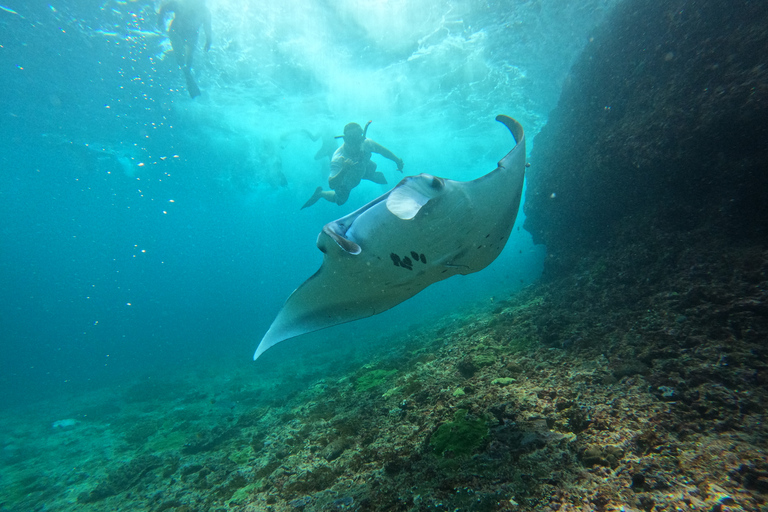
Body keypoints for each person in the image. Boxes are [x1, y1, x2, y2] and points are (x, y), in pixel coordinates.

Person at [302, 122, 404, 209]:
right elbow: (332, 184)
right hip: (347, 178)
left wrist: (397, 160)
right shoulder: (339, 158)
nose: (356, 143)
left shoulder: (366, 143)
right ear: (345, 140)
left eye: (358, 138)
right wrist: (344, 170)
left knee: (373, 166)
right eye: (352, 139)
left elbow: (382, 151)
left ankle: (368, 175)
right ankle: (320, 193)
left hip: (362, 167)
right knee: (340, 201)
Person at [157, 0, 212, 98]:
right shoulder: (183, 3)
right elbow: (165, 8)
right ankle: (187, 75)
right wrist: (161, 21)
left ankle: (188, 75)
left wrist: (208, 40)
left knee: (188, 58)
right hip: (177, 32)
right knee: (182, 57)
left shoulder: (205, 10)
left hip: (191, 34)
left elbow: (208, 26)